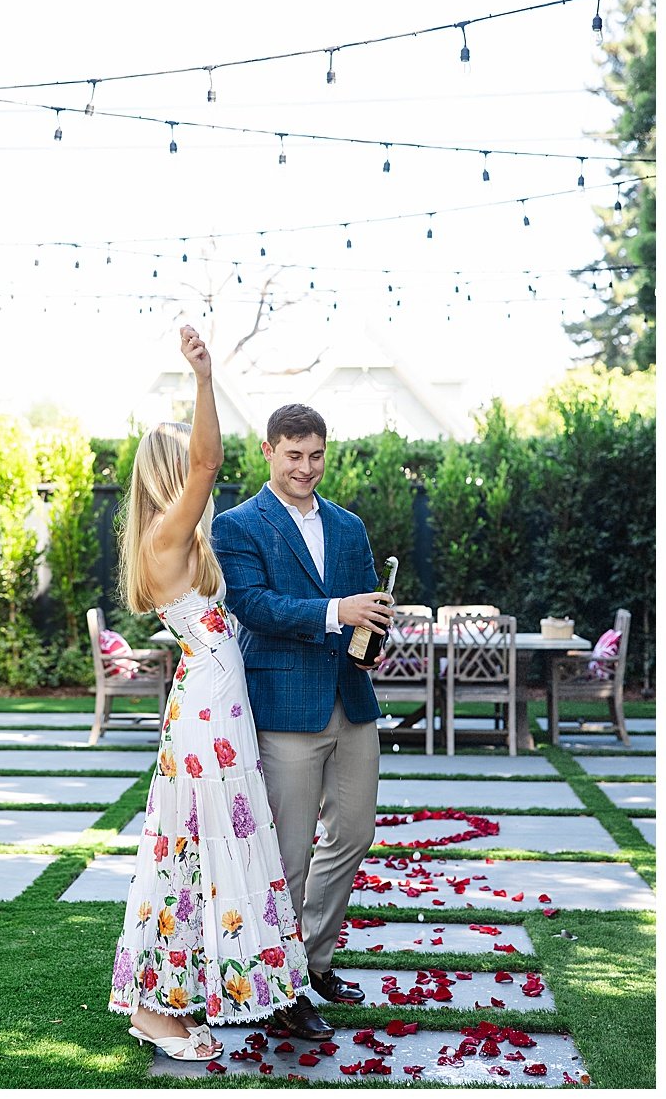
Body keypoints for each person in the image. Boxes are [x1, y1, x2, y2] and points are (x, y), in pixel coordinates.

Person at [108, 327, 311, 1061]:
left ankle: (173, 999)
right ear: (171, 472)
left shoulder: (178, 543)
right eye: (190, 472)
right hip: (206, 715)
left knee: (193, 853)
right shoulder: (168, 536)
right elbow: (210, 457)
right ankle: (153, 1012)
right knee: (183, 855)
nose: (206, 482)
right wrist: (203, 379)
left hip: (215, 702)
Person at [211, 402, 393, 1038]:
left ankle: (312, 960)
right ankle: (280, 989)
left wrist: (373, 626)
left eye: (315, 455)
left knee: (354, 836)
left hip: (352, 701)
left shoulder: (349, 526)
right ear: (267, 452)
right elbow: (256, 607)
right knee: (288, 853)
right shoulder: (238, 525)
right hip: (285, 706)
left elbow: (367, 605)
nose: (306, 468)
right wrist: (335, 610)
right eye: (293, 455)